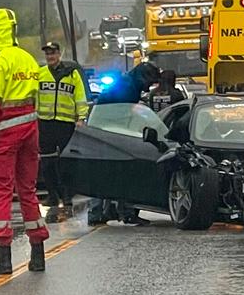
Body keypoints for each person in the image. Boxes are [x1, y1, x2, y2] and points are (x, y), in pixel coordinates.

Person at [0, 9, 49, 276]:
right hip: (31, 129)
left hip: (4, 135)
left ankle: (4, 259)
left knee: (2, 192)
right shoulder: (27, 58)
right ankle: (38, 254)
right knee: (28, 190)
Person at [86, 62, 162, 226]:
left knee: (104, 172)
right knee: (123, 171)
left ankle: (101, 212)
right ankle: (123, 212)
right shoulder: (128, 88)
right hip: (112, 132)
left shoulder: (127, 83)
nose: (148, 88)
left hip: (104, 131)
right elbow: (124, 112)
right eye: (150, 82)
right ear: (144, 77)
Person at [36, 41, 89, 223]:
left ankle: (66, 195)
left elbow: (80, 98)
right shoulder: (40, 74)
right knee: (47, 162)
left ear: (59, 53)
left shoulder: (71, 74)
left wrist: (81, 118)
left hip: (66, 123)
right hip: (45, 123)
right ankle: (52, 195)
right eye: (47, 54)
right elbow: (33, 97)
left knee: (66, 161)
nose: (50, 56)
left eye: (53, 53)